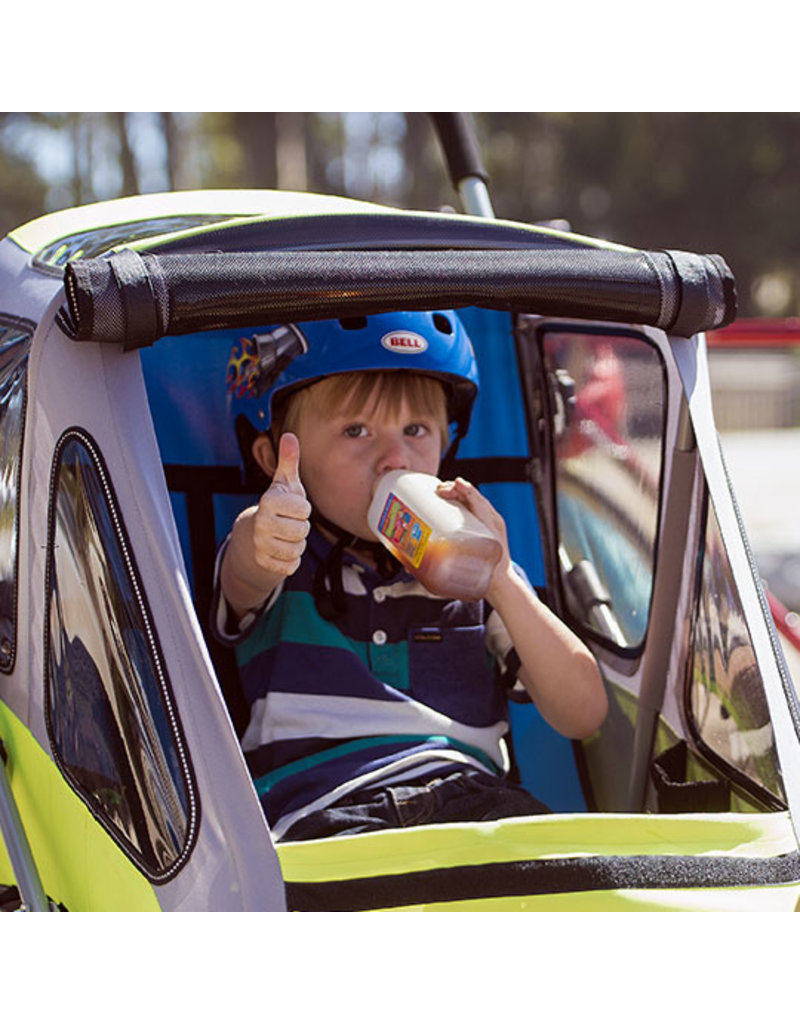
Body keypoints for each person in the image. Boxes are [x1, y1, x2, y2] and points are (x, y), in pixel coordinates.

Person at [215, 310, 607, 842]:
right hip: (321, 813)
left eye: (416, 430)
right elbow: (246, 572)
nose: (393, 458)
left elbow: (583, 716)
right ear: (272, 456)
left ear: (446, 445)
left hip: (474, 804)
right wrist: (265, 532)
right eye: (355, 431)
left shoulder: (476, 571)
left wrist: (502, 582)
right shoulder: (282, 550)